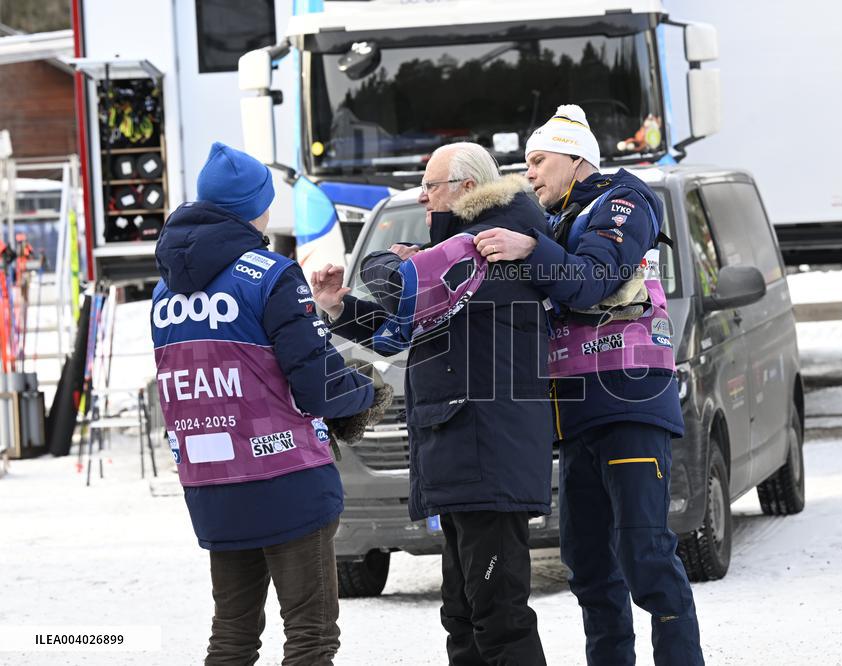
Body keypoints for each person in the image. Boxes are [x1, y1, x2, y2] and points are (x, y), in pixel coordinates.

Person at [473, 106, 705, 665]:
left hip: (628, 407)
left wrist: (530, 249)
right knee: (589, 565)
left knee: (645, 555)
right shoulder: (559, 217)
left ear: (577, 160)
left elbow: (592, 278)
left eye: (538, 160)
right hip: (576, 415)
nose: (528, 173)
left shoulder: (622, 202)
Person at [312, 142, 552, 666]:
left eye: (431, 187)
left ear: (467, 190)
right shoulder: (456, 265)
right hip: (460, 455)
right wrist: (339, 307)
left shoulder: (491, 252)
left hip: (487, 458)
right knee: (463, 614)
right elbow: (404, 329)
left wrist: (407, 265)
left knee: (499, 617)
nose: (422, 198)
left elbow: (396, 283)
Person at [151, 142, 377, 665]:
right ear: (255, 207)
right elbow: (316, 385)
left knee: (231, 636)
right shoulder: (272, 274)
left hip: (211, 481)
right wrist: (363, 392)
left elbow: (230, 356)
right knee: (311, 637)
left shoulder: (165, 291)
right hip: (286, 478)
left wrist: (311, 316)